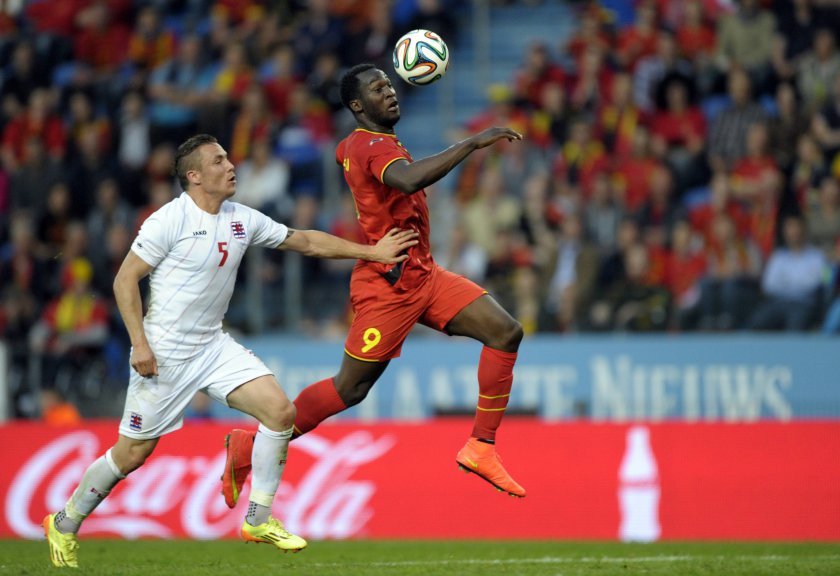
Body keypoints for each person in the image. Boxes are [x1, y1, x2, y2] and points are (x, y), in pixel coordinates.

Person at [42, 133, 418, 568]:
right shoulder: (168, 220)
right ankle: (65, 522)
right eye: (219, 161)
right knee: (133, 453)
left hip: (213, 345)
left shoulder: (241, 218)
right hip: (165, 354)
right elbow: (124, 280)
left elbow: (306, 241)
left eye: (228, 158)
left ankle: (259, 518)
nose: (231, 165)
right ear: (195, 176)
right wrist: (140, 344)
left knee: (280, 412)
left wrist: (372, 252)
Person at [221, 63, 528, 507]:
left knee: (505, 332)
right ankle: (248, 446)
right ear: (357, 105)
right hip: (390, 284)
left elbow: (345, 154)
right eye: (378, 88)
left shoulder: (360, 143)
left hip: (423, 273)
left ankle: (481, 446)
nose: (390, 92)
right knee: (350, 388)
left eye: (389, 84)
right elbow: (408, 178)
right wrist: (471, 142)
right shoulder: (371, 145)